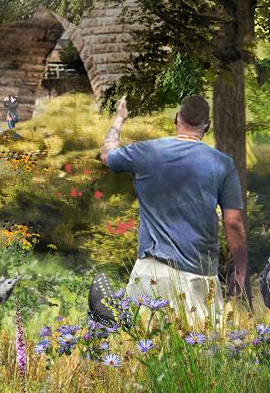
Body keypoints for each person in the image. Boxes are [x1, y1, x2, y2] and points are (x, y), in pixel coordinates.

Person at [100, 94, 247, 322]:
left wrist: (119, 119)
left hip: (151, 271)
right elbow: (233, 222)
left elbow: (107, 155)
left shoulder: (146, 152)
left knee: (142, 345)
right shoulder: (222, 163)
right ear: (207, 126)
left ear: (177, 118)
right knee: (201, 348)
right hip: (199, 274)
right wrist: (239, 271)